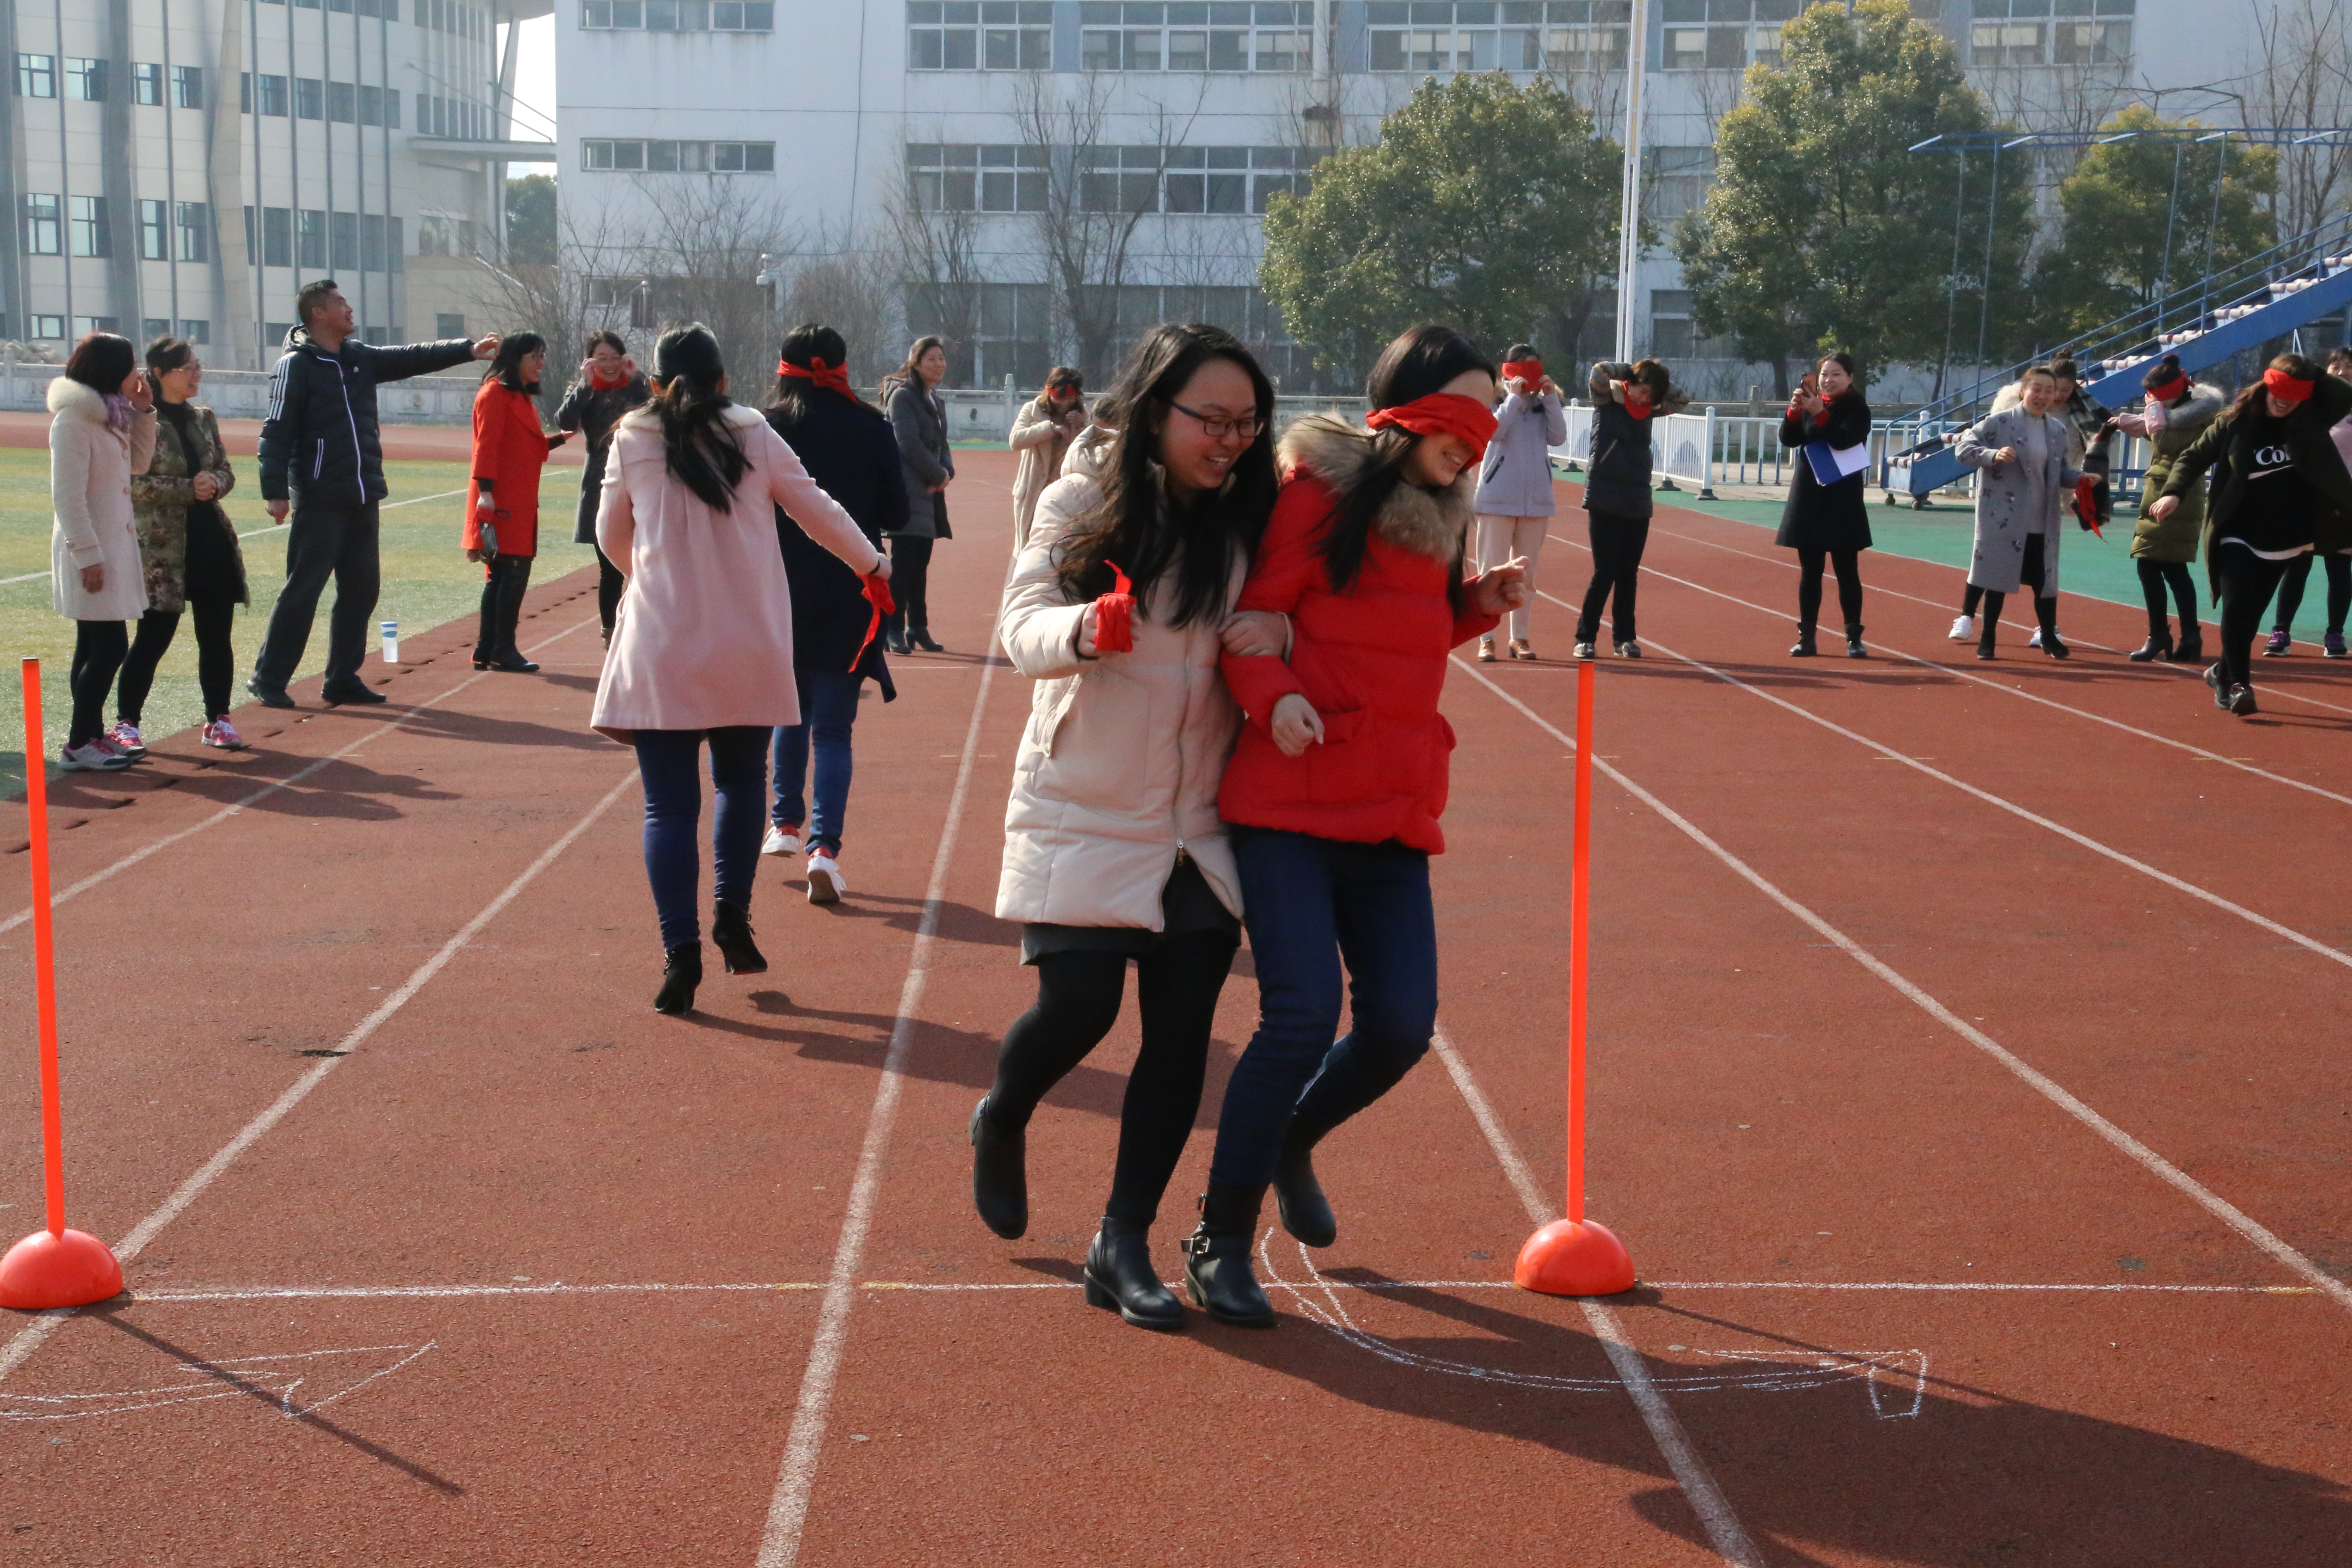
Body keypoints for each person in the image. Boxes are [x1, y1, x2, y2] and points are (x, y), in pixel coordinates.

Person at [1184, 325, 1528, 1328]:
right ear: (1404, 413)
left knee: (1397, 1029)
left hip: (1389, 809)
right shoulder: (1315, 498)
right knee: (1297, 1018)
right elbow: (1250, 622)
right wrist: (1272, 696)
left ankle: (1291, 1138)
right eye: (1458, 423)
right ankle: (1215, 1237)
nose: (1472, 445)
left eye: (1484, 430)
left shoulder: (1435, 517)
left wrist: (1473, 605)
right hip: (1288, 804)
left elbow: (1399, 634)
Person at [972, 322, 1279, 1332]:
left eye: (1248, 422)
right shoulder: (1080, 498)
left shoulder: (1254, 519)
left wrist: (1270, 635)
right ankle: (1003, 1110)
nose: (1232, 440)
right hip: (1091, 802)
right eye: (1213, 420)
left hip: (1199, 820)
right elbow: (1018, 623)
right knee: (1078, 1010)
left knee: (1182, 1037)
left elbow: (1298, 616)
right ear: (1157, 410)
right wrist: (1078, 630)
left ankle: (1122, 1239)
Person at [591, 323, 892, 1013]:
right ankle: (733, 914)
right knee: (739, 782)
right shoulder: (752, 429)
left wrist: (655, 577)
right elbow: (816, 508)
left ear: (657, 383)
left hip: (663, 641)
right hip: (747, 639)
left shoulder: (634, 435)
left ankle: (681, 953)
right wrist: (872, 566)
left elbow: (612, 534)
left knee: (667, 806)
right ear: (724, 378)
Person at [249, 280, 494, 708]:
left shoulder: (359, 358)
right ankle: (269, 678)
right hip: (321, 495)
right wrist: (275, 491)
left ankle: (342, 678)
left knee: (362, 590)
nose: (349, 308)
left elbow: (412, 356)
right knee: (304, 589)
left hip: (363, 493)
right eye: (340, 302)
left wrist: (468, 349)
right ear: (318, 314)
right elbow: (276, 430)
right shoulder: (297, 365)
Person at [760, 324, 908, 905]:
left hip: (780, 590)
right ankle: (825, 849)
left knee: (787, 711)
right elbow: (896, 508)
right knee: (835, 730)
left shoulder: (766, 428)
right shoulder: (871, 427)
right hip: (852, 586)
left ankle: (783, 824)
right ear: (842, 366)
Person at [2148, 352, 2352, 717]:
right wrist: (2172, 492)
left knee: (2252, 615)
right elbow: (2193, 458)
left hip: (2287, 537)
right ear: (2267, 385)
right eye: (2280, 391)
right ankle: (2241, 684)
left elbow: (2343, 393)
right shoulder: (2234, 422)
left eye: (2295, 394)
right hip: (2237, 533)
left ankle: (2222, 672)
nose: (2285, 401)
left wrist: (2307, 371)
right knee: (2237, 606)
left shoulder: (2312, 421)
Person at [117, 336, 250, 754]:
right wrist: (188, 489)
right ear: (159, 374)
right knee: (153, 637)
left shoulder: (204, 418)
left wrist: (216, 483)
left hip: (210, 542)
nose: (197, 374)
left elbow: (224, 469)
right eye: (187, 368)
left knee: (216, 636)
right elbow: (134, 483)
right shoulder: (139, 418)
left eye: (198, 366)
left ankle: (219, 719)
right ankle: (127, 724)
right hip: (163, 549)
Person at [48, 333, 157, 772]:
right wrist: (88, 555)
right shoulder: (74, 420)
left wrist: (145, 411)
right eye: (133, 366)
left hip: (111, 546)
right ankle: (78, 744)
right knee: (110, 647)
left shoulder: (109, 416)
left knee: (91, 648)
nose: (138, 374)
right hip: (92, 552)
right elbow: (68, 497)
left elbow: (140, 464)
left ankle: (91, 737)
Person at [1951, 355, 2113, 647]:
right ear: (2024, 390)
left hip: (2042, 516)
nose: (2044, 396)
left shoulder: (2058, 430)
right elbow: (1963, 448)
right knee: (1997, 577)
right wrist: (1992, 456)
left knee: (2043, 580)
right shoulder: (2000, 422)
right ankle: (1988, 636)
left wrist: (2080, 478)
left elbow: (2059, 470)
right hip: (2003, 515)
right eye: (2037, 389)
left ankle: (2049, 636)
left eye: (2050, 392)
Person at [465, 332, 571, 673]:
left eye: (542, 356)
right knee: (510, 574)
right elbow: (487, 447)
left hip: (516, 498)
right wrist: (486, 494)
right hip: (501, 499)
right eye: (534, 357)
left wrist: (563, 437)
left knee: (503, 575)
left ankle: (488, 647)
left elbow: (530, 447)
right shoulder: (495, 394)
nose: (541, 364)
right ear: (516, 359)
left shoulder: (518, 397)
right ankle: (501, 647)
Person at [2111, 352, 2221, 663]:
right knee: (2166, 568)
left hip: (2180, 492)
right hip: (2159, 489)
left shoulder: (2196, 414)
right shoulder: (2173, 411)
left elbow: (2171, 447)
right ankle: (2185, 636)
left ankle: (2166, 635)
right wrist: (2142, 423)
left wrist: (2152, 420)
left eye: (2156, 397)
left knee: (2160, 566)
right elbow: (2163, 437)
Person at [1571, 358, 1683, 662]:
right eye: (1641, 391)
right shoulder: (1606, 398)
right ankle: (1585, 637)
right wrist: (1633, 371)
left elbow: (1682, 399)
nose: (1643, 399)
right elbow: (1597, 371)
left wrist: (1656, 379)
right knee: (1604, 572)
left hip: (1637, 497)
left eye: (1650, 396)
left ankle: (1625, 638)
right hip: (1604, 494)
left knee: (1629, 574)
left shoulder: (1649, 411)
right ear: (1631, 383)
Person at [1469, 343, 1567, 662]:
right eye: (1521, 367)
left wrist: (1550, 397)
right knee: (1490, 572)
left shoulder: (1543, 405)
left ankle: (1519, 638)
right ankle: (1487, 639)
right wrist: (1514, 398)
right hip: (1497, 499)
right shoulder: (1495, 403)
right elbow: (1493, 433)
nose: (1528, 375)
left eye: (1533, 367)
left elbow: (1558, 437)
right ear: (1508, 370)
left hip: (1535, 502)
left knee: (1527, 575)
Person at [554, 331, 652, 646]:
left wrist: (637, 381)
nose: (609, 365)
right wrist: (585, 384)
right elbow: (565, 422)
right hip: (602, 485)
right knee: (610, 568)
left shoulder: (640, 386)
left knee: (649, 562)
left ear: (625, 359)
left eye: (614, 358)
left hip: (643, 482)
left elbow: (658, 413)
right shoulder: (584, 390)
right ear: (590, 361)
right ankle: (611, 633)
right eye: (601, 359)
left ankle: (646, 629)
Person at [1774, 351, 1873, 658]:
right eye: (1825, 375)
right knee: (1810, 572)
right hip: (1810, 495)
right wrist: (1794, 413)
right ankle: (1807, 637)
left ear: (1850, 378)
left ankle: (1853, 637)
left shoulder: (1857, 408)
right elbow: (1790, 440)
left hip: (1842, 498)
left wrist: (1819, 413)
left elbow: (1844, 440)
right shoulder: (1812, 402)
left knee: (1847, 571)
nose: (1829, 381)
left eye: (1837, 375)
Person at [2260, 343, 2352, 659]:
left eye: (2348, 367)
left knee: (2340, 569)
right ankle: (2281, 631)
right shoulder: (2308, 407)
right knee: (2295, 565)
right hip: (2306, 497)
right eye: (2335, 366)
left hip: (2344, 502)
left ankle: (2335, 634)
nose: (2341, 372)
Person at [882, 336, 954, 654]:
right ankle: (893, 628)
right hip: (907, 489)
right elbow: (907, 442)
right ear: (916, 362)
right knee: (903, 563)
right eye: (931, 359)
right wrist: (937, 474)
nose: (938, 364)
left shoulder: (934, 399)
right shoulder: (903, 397)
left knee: (920, 563)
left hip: (929, 491)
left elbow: (943, 444)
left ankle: (918, 626)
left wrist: (947, 472)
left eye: (941, 358)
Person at [1008, 366, 1086, 551]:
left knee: (1060, 546)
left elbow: (1090, 451)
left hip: (1063, 492)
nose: (1064, 403)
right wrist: (1050, 429)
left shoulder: (1081, 415)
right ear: (1049, 391)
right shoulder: (1032, 410)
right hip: (1033, 490)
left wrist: (1082, 428)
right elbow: (1015, 440)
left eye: (1070, 398)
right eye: (1059, 398)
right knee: (1028, 548)